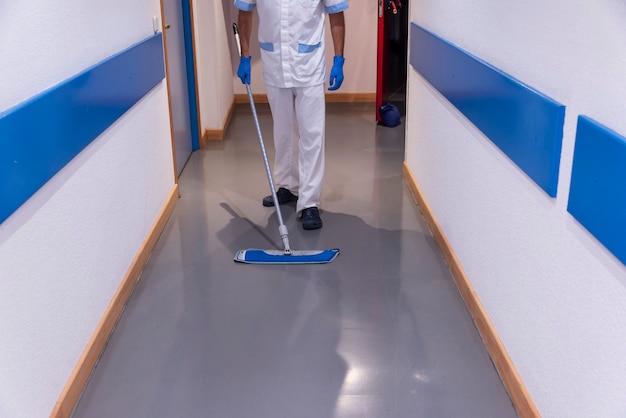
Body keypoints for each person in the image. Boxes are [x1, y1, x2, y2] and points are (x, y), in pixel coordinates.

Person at [234, 0, 348, 230]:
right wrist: (245, 56)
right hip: (274, 63)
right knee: (282, 131)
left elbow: (336, 15)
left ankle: (309, 203)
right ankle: (288, 185)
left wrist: (339, 59)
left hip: (309, 65)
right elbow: (244, 13)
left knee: (311, 134)